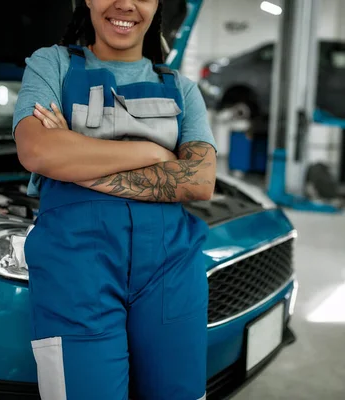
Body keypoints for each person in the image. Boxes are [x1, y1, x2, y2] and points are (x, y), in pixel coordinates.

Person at [12, 0, 217, 398]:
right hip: (74, 270)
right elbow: (37, 152)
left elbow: (200, 181)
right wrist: (154, 153)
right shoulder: (50, 64)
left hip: (171, 270)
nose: (124, 3)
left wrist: (74, 161)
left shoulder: (182, 88)